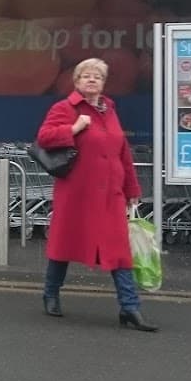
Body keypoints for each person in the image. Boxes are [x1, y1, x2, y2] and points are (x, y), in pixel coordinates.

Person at [35, 58, 158, 332]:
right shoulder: (64, 108)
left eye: (98, 77)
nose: (92, 80)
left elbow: (122, 152)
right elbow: (44, 137)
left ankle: (130, 308)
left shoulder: (110, 110)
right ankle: (51, 293)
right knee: (63, 246)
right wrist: (74, 129)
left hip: (110, 195)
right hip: (77, 193)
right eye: (86, 76)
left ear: (103, 84)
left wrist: (132, 189)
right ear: (76, 81)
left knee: (119, 251)